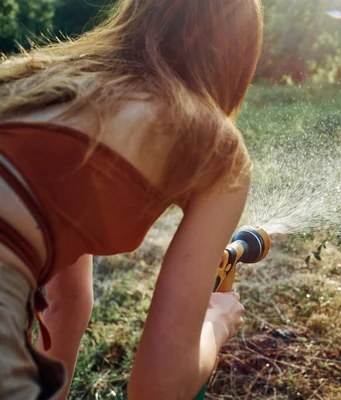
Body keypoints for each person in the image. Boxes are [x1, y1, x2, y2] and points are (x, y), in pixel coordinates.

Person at [0, 0, 263, 398]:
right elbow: (156, 389)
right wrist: (218, 324)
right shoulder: (216, 147)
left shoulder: (43, 78)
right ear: (238, 54)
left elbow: (68, 300)